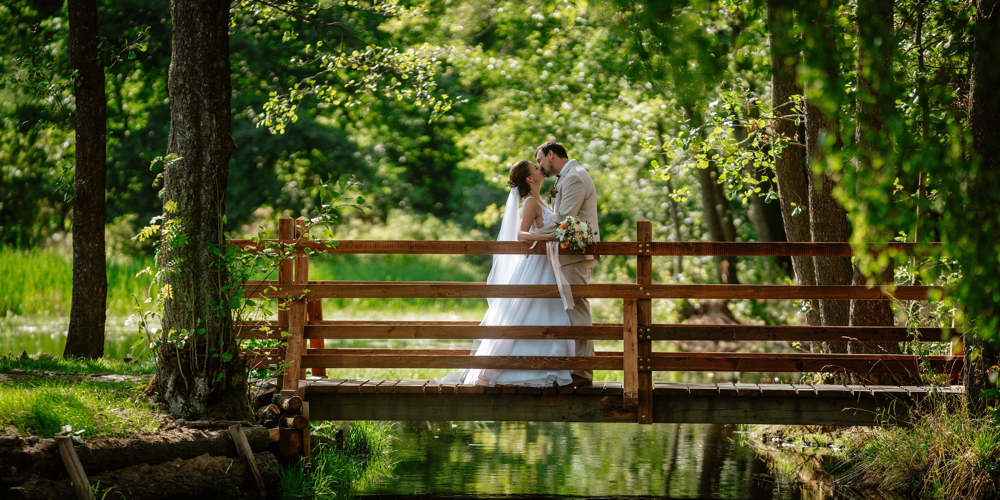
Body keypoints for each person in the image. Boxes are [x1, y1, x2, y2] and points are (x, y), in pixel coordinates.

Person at [460, 160, 576, 387]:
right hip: (536, 265)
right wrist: (551, 237)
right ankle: (493, 371)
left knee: (547, 313)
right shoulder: (531, 202)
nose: (539, 168)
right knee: (523, 314)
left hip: (547, 265)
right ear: (529, 179)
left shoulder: (542, 200)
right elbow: (521, 235)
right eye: (535, 167)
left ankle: (544, 370)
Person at [535, 141, 600, 386]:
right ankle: (574, 368)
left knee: (577, 308)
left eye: (540, 160)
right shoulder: (566, 177)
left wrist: (533, 235)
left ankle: (583, 373)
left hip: (575, 254)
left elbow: (564, 220)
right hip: (566, 253)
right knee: (570, 310)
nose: (540, 166)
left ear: (551, 154)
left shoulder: (574, 177)